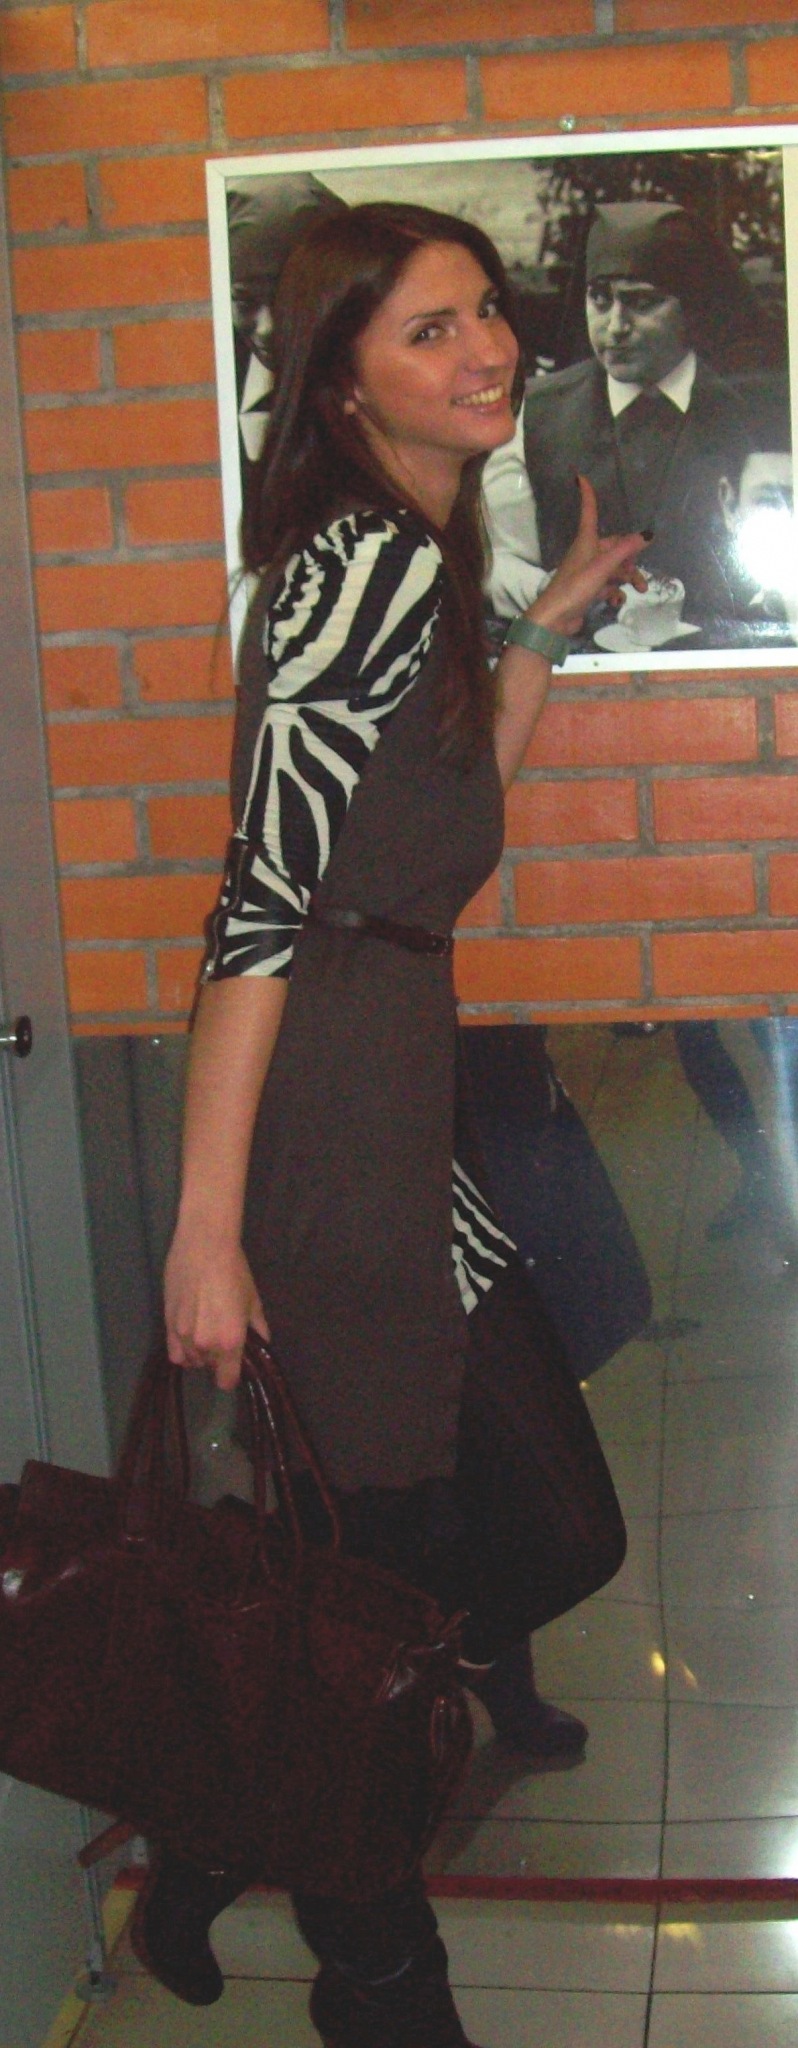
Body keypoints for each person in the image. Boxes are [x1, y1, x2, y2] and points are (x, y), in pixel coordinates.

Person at [145, 202, 647, 2048]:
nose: (486, 349)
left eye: (485, 313)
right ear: (341, 374)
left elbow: (432, 833)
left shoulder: (414, 560)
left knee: (535, 1535)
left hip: (388, 1089)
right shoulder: (348, 565)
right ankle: (382, 1991)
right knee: (383, 1577)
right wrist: (209, 1231)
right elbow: (259, 904)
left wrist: (538, 634)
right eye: (428, 328)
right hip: (327, 1115)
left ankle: (229, 1813)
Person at [484, 199, 757, 647]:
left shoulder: (748, 417)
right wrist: (553, 590)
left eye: (641, 302)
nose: (614, 326)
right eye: (599, 298)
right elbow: (499, 562)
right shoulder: (531, 413)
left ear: (694, 307)